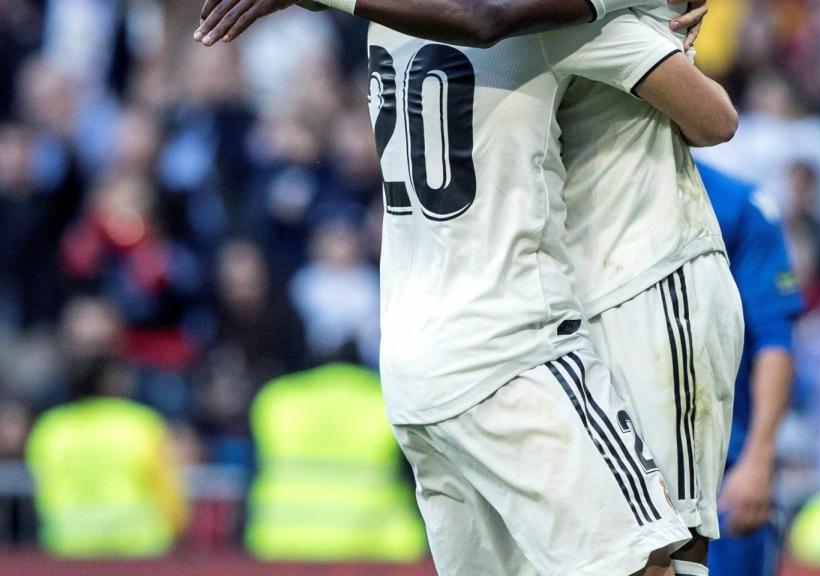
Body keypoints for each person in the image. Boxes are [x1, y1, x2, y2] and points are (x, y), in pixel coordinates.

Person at [197, 2, 739, 575]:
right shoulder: (539, 23)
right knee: (648, 557)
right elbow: (716, 120)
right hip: (513, 344)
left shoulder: (390, 19)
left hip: (411, 364)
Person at [695, 162, 803, 576]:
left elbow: (774, 336)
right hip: (619, 459)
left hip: (721, 466)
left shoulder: (737, 204)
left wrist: (758, 458)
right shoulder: (578, 184)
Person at [26, 299, 187, 557]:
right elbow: (172, 505)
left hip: (67, 554)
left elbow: (40, 495)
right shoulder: (142, 425)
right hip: (137, 555)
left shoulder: (50, 428)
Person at [246, 363, 427, 562]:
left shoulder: (276, 399)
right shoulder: (387, 400)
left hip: (278, 541)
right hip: (379, 546)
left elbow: (248, 472)